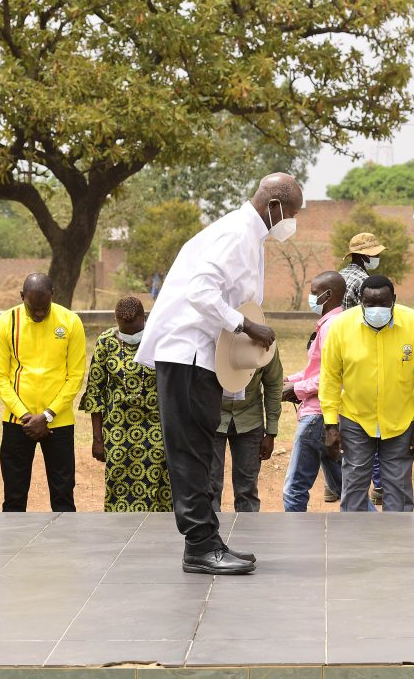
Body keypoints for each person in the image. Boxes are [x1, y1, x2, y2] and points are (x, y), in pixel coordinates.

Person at [135, 172, 303, 575]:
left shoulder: (247, 235)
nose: (294, 223)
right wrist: (248, 327)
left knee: (198, 448)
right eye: (293, 213)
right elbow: (200, 291)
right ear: (275, 206)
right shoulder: (235, 234)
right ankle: (199, 546)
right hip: (188, 355)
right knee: (191, 452)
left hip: (201, 358)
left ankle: (207, 539)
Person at [320, 275, 414, 512]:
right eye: (369, 303)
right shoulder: (341, 326)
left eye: (383, 303)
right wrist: (331, 425)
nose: (376, 309)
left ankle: (396, 545)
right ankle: (357, 546)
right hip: (356, 419)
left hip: (401, 421)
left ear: (394, 300)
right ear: (360, 301)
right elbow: (330, 377)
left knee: (398, 491)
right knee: (353, 487)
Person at [0, 273, 86, 512]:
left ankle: (63, 545)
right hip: (17, 422)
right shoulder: (6, 322)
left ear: (53, 294)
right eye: (34, 309)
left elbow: (75, 376)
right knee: (14, 495)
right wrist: (26, 416)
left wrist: (47, 416)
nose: (40, 314)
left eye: (45, 307)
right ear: (22, 297)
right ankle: (13, 546)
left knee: (63, 494)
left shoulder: (71, 321)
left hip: (58, 422)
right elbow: (0, 377)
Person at [79, 296, 172, 512]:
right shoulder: (105, 342)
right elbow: (95, 392)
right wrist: (97, 439)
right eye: (125, 330)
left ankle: (153, 540)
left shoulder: (160, 341)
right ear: (116, 321)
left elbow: (174, 387)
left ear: (144, 318)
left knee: (157, 489)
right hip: (118, 432)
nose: (131, 335)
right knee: (118, 487)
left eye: (135, 329)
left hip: (156, 430)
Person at [282, 271, 346, 511]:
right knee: (347, 491)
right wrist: (290, 379)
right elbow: (318, 368)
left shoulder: (332, 326)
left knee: (295, 488)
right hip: (327, 413)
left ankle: (297, 541)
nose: (311, 297)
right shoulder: (335, 322)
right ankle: (373, 534)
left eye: (314, 292)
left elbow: (331, 376)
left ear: (328, 295)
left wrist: (295, 390)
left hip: (318, 415)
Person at [337, 231, 387, 504]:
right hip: (363, 355)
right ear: (365, 256)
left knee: (346, 418)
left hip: (338, 355)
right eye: (375, 255)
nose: (377, 258)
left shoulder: (338, 277)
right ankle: (378, 484)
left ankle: (335, 485)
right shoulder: (365, 283)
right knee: (373, 419)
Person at [211, 347, 283, 513]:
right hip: (212, 417)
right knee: (209, 485)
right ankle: (209, 535)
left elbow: (273, 384)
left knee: (247, 488)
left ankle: (247, 534)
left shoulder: (266, 344)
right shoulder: (211, 337)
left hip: (249, 419)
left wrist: (271, 432)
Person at [339, 232, 385, 310]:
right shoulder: (364, 280)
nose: (378, 257)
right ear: (363, 256)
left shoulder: (341, 273)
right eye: (375, 254)